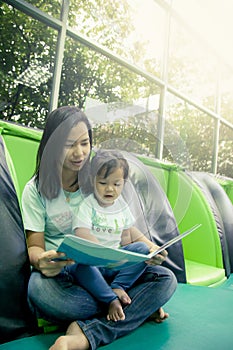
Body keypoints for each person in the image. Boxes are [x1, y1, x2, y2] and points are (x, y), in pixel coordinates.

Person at [21, 106, 177, 350]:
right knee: (39, 290)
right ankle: (134, 305)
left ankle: (84, 333)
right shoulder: (35, 190)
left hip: (108, 269)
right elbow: (35, 246)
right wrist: (41, 260)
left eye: (85, 143)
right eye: (69, 144)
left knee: (165, 278)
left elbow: (125, 227)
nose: (79, 153)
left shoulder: (98, 177)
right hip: (67, 276)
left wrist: (149, 248)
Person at [71, 149, 161, 322]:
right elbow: (82, 233)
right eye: (103, 183)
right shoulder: (87, 205)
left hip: (115, 264)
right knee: (80, 266)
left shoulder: (121, 206)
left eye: (117, 184)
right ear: (93, 180)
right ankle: (111, 300)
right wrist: (103, 253)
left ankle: (118, 287)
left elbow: (127, 238)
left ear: (124, 183)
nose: (110, 189)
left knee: (142, 248)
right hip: (95, 264)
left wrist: (150, 249)